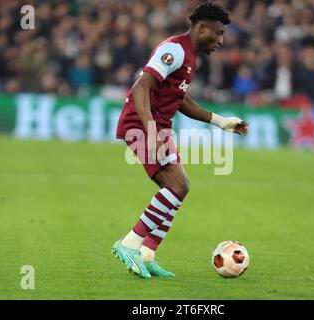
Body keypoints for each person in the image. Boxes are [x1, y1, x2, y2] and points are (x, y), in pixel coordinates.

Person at [112, 1, 249, 279]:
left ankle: (148, 253)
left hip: (157, 125)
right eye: (218, 33)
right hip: (141, 123)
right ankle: (129, 243)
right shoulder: (174, 49)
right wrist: (151, 132)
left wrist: (220, 121)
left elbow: (180, 99)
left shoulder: (189, 55)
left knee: (178, 188)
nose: (221, 40)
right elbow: (141, 88)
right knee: (177, 185)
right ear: (202, 29)